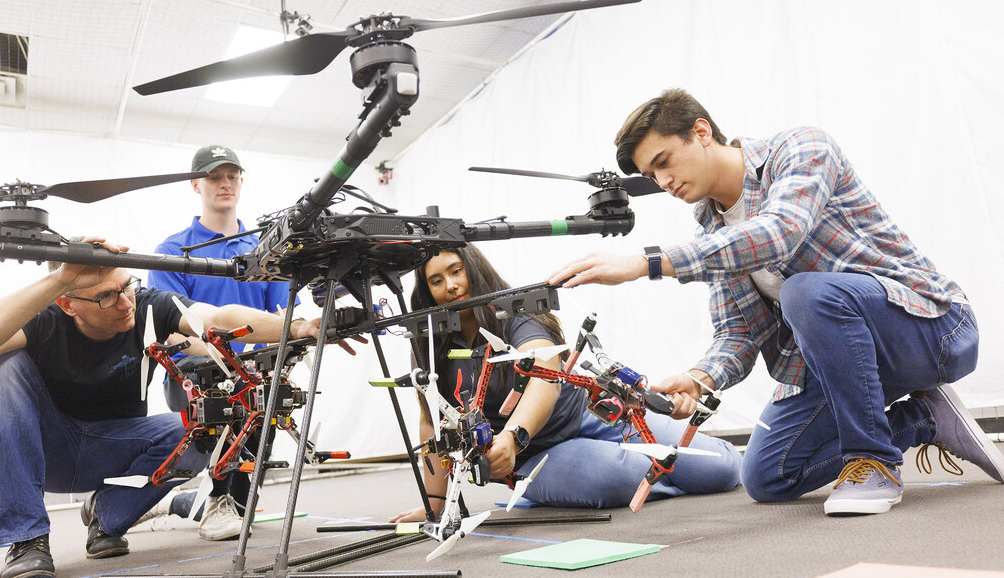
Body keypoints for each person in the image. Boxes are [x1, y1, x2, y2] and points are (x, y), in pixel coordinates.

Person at [549, 88, 1003, 516]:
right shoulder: (712, 230)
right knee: (767, 475)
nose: (663, 181)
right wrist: (699, 377)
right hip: (848, 365)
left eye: (664, 161)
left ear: (702, 132)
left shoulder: (800, 149)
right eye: (651, 175)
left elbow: (780, 233)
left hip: (935, 328)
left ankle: (875, 462)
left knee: (805, 290)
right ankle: (925, 417)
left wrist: (646, 262)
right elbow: (739, 333)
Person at [0, 238, 324, 578]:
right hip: (48, 451)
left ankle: (106, 516)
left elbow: (219, 319)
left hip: (112, 447)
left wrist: (298, 327)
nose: (126, 303)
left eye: (128, 286)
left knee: (204, 422)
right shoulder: (45, 317)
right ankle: (26, 540)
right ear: (67, 302)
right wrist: (59, 278)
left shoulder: (146, 307)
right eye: (107, 297)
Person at [390, 244, 741, 524]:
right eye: (436, 281)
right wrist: (434, 504)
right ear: (427, 291)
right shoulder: (429, 344)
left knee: (720, 470)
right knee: (624, 475)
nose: (450, 286)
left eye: (456, 271)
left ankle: (666, 478)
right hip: (535, 457)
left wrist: (513, 437)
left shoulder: (513, 314)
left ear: (474, 270)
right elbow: (430, 421)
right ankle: (554, 486)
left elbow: (543, 375)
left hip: (592, 416)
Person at [147, 145, 295, 541]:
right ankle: (214, 500)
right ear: (196, 184)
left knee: (272, 397)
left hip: (254, 373)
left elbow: (281, 321)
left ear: (241, 182)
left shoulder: (265, 251)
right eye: (215, 176)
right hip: (195, 373)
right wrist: (228, 361)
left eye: (232, 175)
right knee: (230, 390)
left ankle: (186, 502)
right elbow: (172, 335)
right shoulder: (172, 252)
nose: (224, 183)